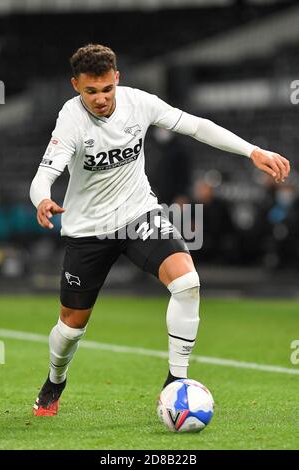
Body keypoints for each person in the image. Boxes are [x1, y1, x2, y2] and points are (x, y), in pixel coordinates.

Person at [29, 44, 290, 416]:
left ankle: (176, 383)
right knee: (71, 327)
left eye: (107, 88)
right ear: (76, 86)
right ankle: (56, 380)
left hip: (139, 215)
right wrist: (42, 199)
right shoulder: (71, 119)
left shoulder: (140, 103)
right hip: (88, 230)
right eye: (91, 91)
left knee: (187, 283)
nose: (101, 99)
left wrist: (252, 151)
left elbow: (196, 126)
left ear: (117, 79)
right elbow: (44, 175)